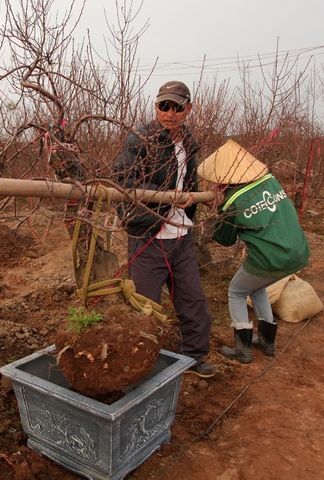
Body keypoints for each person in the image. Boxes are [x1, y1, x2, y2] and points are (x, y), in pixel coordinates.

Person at [113, 80, 218, 378]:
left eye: (177, 107)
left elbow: (189, 183)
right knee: (144, 307)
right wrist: (169, 197)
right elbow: (122, 183)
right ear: (156, 105)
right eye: (164, 106)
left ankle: (194, 358)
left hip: (181, 236)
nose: (170, 113)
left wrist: (197, 199)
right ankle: (139, 367)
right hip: (148, 236)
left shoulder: (188, 142)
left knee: (192, 299)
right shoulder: (140, 139)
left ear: (188, 109)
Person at [197, 139, 310, 363]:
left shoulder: (233, 202)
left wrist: (217, 212)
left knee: (237, 291)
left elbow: (225, 240)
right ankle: (267, 342)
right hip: (297, 252)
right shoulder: (270, 181)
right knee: (257, 289)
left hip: (268, 259)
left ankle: (243, 348)